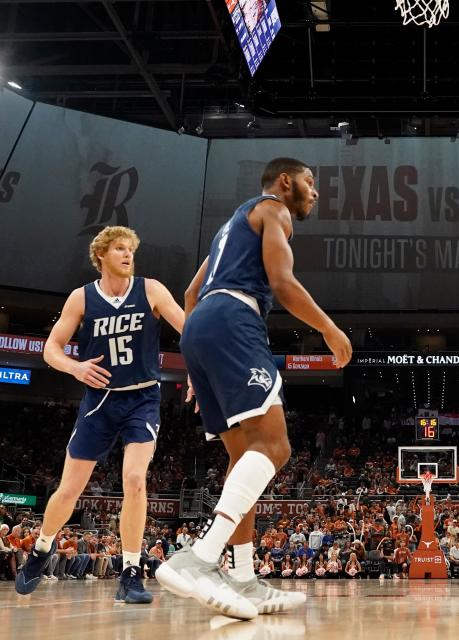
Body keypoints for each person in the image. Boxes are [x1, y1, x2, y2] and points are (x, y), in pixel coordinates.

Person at [156, 157, 352, 619]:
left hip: (201, 326)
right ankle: (200, 557)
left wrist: (196, 358)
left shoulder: (229, 228)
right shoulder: (272, 210)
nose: (316, 192)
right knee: (275, 445)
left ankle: (244, 577)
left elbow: (189, 295)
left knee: (243, 458)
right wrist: (329, 329)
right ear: (285, 182)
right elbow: (282, 285)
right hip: (233, 320)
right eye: (310, 182)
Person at [15, 226, 184, 605]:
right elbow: (51, 349)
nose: (128, 255)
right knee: (69, 489)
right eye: (120, 249)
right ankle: (42, 549)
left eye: (131, 250)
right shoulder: (82, 298)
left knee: (136, 479)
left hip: (142, 397)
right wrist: (74, 368)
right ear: (102, 255)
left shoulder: (151, 290)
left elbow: (188, 329)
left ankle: (130, 574)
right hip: (99, 401)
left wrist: (205, 371)